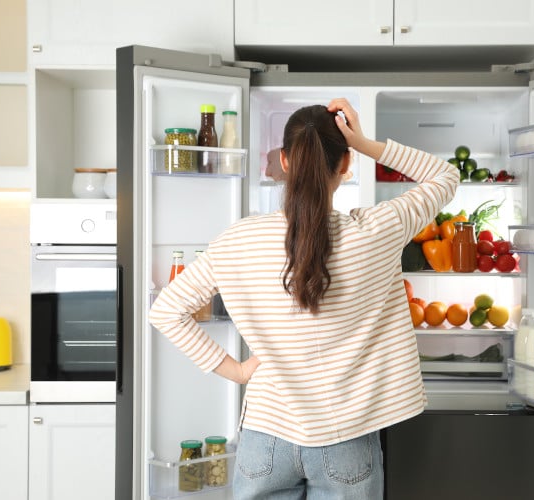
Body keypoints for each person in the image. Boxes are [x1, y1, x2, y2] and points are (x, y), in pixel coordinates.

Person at [148, 98, 460, 499]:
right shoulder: (380, 230)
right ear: (345, 165)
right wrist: (364, 142)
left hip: (266, 437)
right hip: (347, 437)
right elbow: (444, 176)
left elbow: (167, 311)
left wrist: (239, 372)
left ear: (284, 160)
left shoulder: (238, 239)